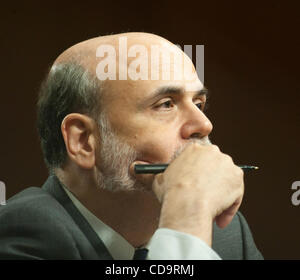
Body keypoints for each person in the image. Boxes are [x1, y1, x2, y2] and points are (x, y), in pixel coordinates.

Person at [0, 32, 263, 259]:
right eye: (166, 104)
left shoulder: (223, 232)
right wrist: (187, 219)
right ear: (83, 141)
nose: (204, 124)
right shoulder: (24, 231)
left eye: (198, 104)